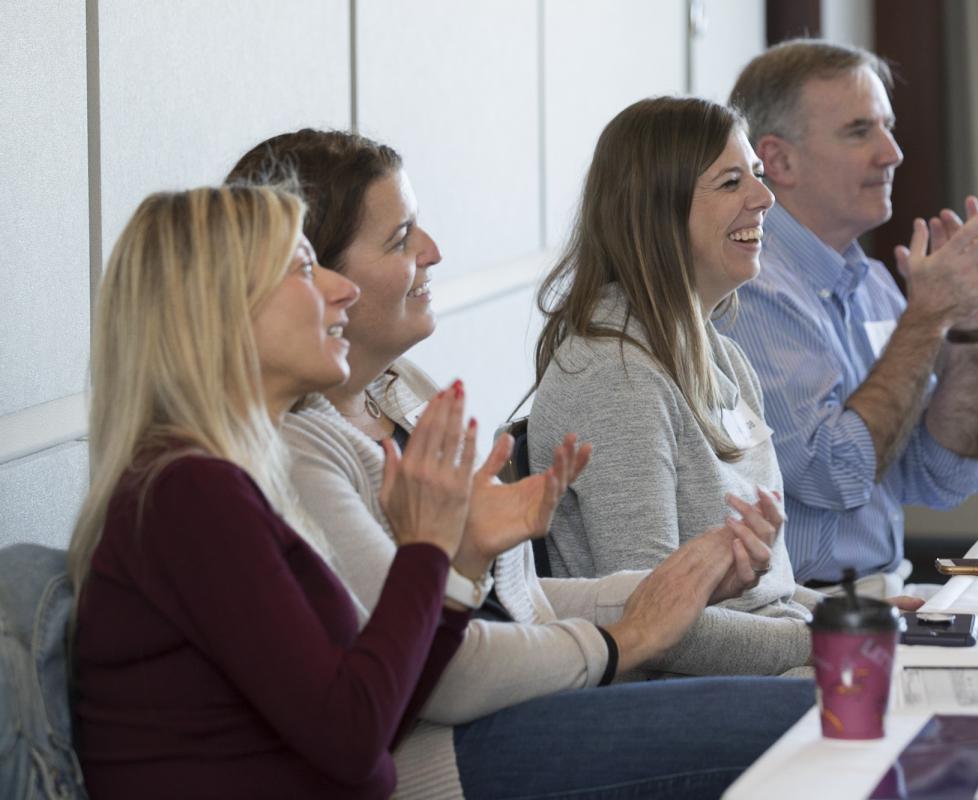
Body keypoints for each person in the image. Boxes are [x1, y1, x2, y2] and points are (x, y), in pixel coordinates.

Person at [228, 129, 818, 800]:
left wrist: (680, 591)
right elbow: (441, 668)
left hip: (525, 700)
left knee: (842, 700)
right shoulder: (295, 449)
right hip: (443, 755)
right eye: (399, 240)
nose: (433, 251)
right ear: (309, 280)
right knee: (823, 714)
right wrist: (626, 638)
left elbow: (517, 603)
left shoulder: (402, 389)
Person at [67, 185, 485, 799]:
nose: (344, 290)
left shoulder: (217, 481)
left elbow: (378, 723)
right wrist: (422, 550)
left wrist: (451, 569)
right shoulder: (189, 493)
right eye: (304, 269)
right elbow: (351, 736)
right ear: (215, 310)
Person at [528, 96, 833, 621]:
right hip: (695, 671)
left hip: (772, 653)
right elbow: (655, 624)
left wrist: (847, 614)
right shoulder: (615, 377)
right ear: (656, 212)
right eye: (732, 182)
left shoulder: (724, 359)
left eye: (757, 175)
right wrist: (830, 635)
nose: (765, 197)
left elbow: (770, 593)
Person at [727, 39, 978, 596]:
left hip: (886, 590)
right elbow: (834, 474)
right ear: (779, 161)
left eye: (889, 127)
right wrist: (926, 318)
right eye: (860, 132)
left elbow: (946, 475)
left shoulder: (874, 284)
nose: (893, 153)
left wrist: (966, 324)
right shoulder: (752, 290)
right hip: (804, 611)